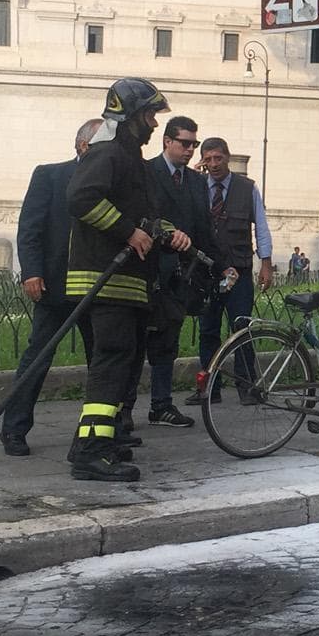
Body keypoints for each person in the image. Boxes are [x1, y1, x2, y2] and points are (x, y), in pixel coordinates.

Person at [65, 78, 188, 482]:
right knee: (110, 363)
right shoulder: (108, 152)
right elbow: (81, 198)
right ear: (132, 115)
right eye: (150, 115)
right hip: (105, 280)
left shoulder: (130, 158)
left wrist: (165, 233)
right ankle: (91, 453)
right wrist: (127, 232)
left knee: (124, 366)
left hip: (128, 283)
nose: (155, 123)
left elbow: (144, 216)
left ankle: (100, 439)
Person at [0, 118, 101, 457]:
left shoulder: (111, 182)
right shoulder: (50, 175)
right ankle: (14, 429)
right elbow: (30, 228)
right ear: (83, 145)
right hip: (55, 285)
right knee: (38, 357)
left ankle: (103, 431)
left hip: (96, 288)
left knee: (102, 362)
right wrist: (32, 272)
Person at [141, 114, 211, 428]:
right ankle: (123, 408)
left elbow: (205, 228)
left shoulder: (196, 181)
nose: (190, 150)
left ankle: (161, 404)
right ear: (167, 141)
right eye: (184, 143)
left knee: (168, 340)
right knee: (136, 339)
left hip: (183, 273)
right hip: (149, 268)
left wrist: (224, 266)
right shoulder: (147, 172)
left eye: (194, 144)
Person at [196, 138, 275, 402]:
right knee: (208, 330)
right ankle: (209, 389)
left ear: (227, 157)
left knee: (241, 328)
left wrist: (266, 264)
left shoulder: (247, 188)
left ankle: (247, 387)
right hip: (208, 272)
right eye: (208, 159)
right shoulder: (196, 186)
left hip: (239, 271)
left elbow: (261, 227)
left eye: (218, 158)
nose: (214, 164)